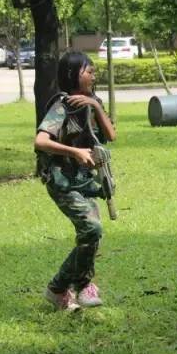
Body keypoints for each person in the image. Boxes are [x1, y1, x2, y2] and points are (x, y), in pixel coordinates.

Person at [34, 51, 116, 310]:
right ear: (72, 74)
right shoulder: (63, 105)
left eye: (93, 71)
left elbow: (110, 135)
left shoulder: (92, 103)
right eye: (87, 71)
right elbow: (41, 141)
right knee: (92, 229)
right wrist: (75, 152)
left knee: (92, 236)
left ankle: (69, 291)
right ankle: (65, 287)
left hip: (84, 181)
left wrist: (94, 105)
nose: (92, 75)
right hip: (62, 180)